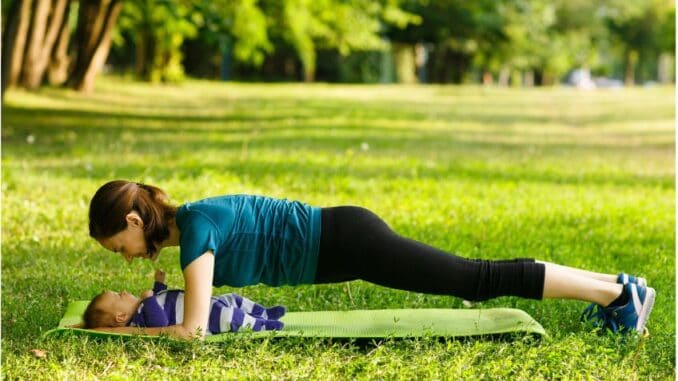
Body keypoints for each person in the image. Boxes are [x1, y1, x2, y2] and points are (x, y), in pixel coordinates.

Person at [88, 180, 655, 339]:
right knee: (473, 274)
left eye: (120, 247)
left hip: (350, 240)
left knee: (474, 278)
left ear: (135, 222)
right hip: (345, 235)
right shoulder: (195, 226)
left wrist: (128, 335)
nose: (124, 260)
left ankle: (614, 296)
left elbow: (192, 329)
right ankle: (617, 286)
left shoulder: (197, 232)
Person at [82, 268, 285, 334]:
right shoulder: (141, 319)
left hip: (205, 301)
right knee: (231, 316)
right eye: (119, 295)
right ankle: (264, 325)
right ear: (120, 316)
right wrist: (149, 300)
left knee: (234, 299)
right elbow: (160, 323)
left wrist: (158, 284)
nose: (124, 291)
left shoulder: (143, 306)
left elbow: (163, 299)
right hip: (205, 318)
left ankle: (264, 312)